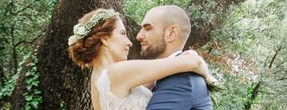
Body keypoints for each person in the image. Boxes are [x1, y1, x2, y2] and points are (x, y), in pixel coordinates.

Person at [68, 7, 214, 110]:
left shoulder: (99, 80)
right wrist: (206, 74)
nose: (130, 42)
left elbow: (151, 81)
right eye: (123, 33)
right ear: (105, 39)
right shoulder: (116, 72)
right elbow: (192, 62)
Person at [137, 5, 213, 110]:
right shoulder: (164, 76)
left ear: (171, 33)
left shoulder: (181, 79)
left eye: (148, 28)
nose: (139, 36)